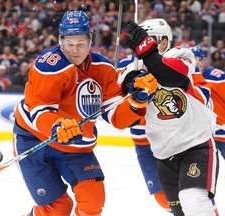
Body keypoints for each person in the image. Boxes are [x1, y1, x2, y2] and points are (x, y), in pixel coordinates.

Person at [13, 11, 157, 216]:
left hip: (76, 145)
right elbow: (40, 109)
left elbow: (115, 115)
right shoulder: (49, 65)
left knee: (93, 201)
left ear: (90, 41)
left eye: (80, 43)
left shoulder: (104, 69)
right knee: (58, 208)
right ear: (60, 40)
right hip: (35, 141)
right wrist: (56, 126)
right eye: (69, 43)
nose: (74, 49)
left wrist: (136, 101)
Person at [120, 18, 219, 216]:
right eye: (145, 40)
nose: (148, 45)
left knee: (195, 202)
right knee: (180, 211)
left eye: (153, 40)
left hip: (195, 143)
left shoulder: (181, 55)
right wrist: (135, 88)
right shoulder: (132, 67)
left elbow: (172, 75)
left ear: (165, 42)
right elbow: (123, 91)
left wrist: (146, 51)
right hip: (164, 154)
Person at [190, 45, 225, 160]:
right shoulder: (185, 79)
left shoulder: (215, 76)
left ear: (203, 61)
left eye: (195, 59)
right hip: (200, 135)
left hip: (221, 131)